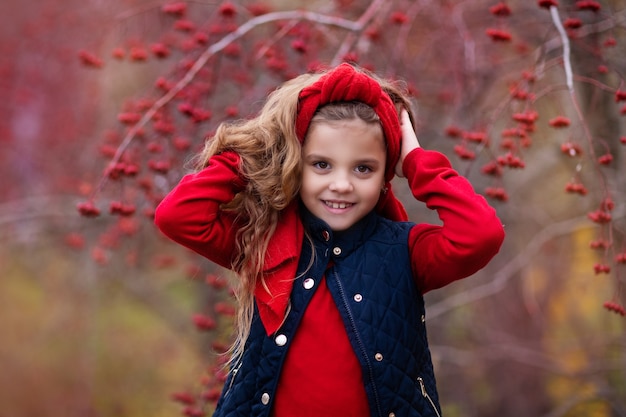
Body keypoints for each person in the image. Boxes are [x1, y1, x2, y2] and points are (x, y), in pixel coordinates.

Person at [154, 63, 505, 417]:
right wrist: (261, 148)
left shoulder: (405, 251)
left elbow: (480, 235)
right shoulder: (263, 240)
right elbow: (178, 216)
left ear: (387, 172)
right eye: (321, 165)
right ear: (295, 164)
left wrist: (415, 159)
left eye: (363, 168)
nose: (341, 184)